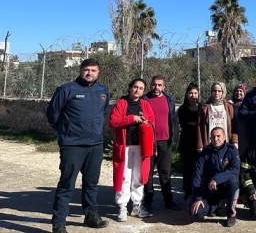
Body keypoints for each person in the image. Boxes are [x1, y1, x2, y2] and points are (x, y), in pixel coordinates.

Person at [46, 58, 110, 233]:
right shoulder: (66, 89)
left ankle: (91, 216)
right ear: (81, 70)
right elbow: (52, 114)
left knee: (91, 183)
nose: (89, 73)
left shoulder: (103, 91)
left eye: (93, 70)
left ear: (98, 72)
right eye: (86, 70)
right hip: (72, 145)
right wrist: (65, 131)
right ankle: (59, 223)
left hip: (95, 145)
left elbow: (103, 112)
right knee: (67, 184)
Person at [109, 78, 156, 221]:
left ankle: (136, 206)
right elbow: (113, 121)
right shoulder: (121, 103)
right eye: (135, 87)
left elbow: (152, 122)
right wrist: (131, 118)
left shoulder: (145, 104)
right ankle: (122, 207)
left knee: (139, 177)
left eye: (141, 88)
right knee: (124, 177)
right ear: (130, 88)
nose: (137, 90)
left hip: (142, 146)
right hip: (125, 146)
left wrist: (146, 122)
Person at [142, 75, 180, 215]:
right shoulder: (144, 100)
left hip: (165, 141)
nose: (156, 87)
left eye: (159, 85)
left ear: (164, 87)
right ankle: (147, 201)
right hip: (148, 141)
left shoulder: (169, 99)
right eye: (154, 84)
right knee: (148, 173)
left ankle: (168, 200)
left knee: (165, 172)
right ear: (150, 85)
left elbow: (172, 120)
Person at [191, 127, 240, 227]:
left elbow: (235, 169)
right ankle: (216, 206)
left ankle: (231, 214)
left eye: (218, 136)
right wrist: (197, 197)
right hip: (211, 190)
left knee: (233, 182)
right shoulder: (205, 152)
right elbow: (197, 175)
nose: (216, 139)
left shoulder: (231, 150)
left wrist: (216, 179)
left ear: (225, 137)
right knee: (197, 213)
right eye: (213, 137)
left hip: (226, 188)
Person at [197, 82, 238, 152]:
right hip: (210, 142)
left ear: (223, 92)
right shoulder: (205, 108)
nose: (216, 93)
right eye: (214, 91)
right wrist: (199, 145)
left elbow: (233, 125)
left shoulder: (229, 107)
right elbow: (199, 127)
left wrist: (235, 141)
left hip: (226, 142)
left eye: (219, 91)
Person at [177, 83, 201, 203]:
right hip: (186, 143)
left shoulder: (202, 107)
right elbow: (184, 124)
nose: (193, 95)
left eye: (195, 93)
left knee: (199, 168)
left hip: (199, 142)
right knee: (187, 170)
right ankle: (188, 193)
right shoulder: (182, 109)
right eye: (191, 93)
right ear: (186, 94)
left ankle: (198, 192)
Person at [230, 83, 249, 155]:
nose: (238, 93)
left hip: (245, 133)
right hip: (233, 133)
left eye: (241, 91)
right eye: (236, 91)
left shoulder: (248, 104)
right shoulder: (230, 105)